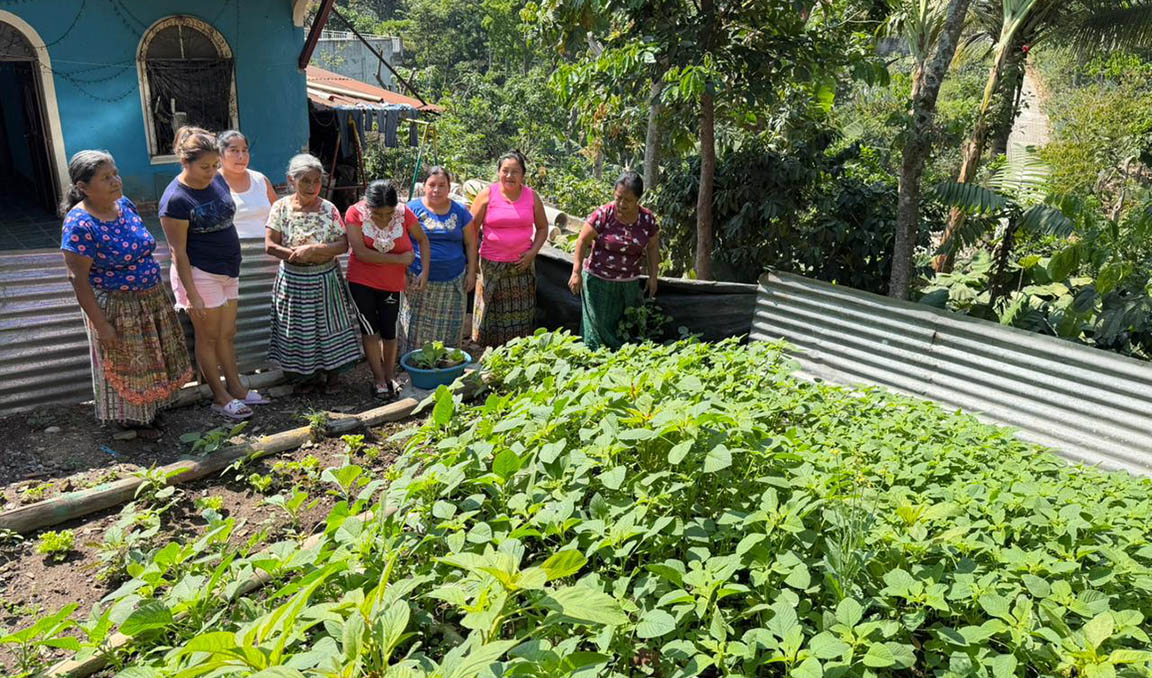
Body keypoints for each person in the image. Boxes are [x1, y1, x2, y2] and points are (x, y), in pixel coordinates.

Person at [60, 150, 193, 434]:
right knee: (126, 360)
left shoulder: (124, 204)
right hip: (115, 306)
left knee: (151, 356)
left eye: (115, 174)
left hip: (150, 299)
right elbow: (78, 280)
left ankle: (152, 410)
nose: (115, 181)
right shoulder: (79, 224)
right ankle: (130, 419)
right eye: (105, 178)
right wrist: (102, 325)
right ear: (83, 187)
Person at [160, 126, 267, 421]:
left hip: (228, 269)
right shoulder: (175, 200)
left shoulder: (217, 179)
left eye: (214, 165)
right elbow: (178, 252)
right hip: (200, 273)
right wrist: (191, 293)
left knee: (227, 334)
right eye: (204, 167)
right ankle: (220, 397)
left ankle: (237, 388)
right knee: (207, 338)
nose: (211, 172)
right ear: (185, 162)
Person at [265, 154, 364, 390]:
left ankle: (333, 377)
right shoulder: (280, 208)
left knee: (330, 327)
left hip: (325, 280)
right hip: (293, 281)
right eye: (305, 181)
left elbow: (343, 245)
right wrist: (296, 255)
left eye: (316, 181)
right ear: (291, 180)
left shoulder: (329, 209)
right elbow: (270, 245)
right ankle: (305, 378)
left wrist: (315, 250)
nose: (312, 187)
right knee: (298, 330)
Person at [344, 180, 431, 400]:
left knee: (390, 331)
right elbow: (361, 253)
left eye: (388, 214)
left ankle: (390, 375)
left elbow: (423, 240)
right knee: (370, 330)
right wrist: (399, 259)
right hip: (361, 281)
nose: (384, 218)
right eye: (378, 214)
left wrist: (424, 271)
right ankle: (378, 379)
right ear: (368, 205)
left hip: (393, 283)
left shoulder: (403, 213)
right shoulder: (355, 213)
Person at [568, 171, 660, 350]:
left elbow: (653, 247)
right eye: (618, 198)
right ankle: (592, 362)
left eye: (628, 200)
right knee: (595, 333)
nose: (622, 204)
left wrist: (653, 276)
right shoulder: (604, 214)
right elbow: (582, 241)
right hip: (598, 283)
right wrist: (576, 272)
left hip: (628, 285)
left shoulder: (647, 219)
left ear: (638, 199)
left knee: (623, 330)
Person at [469, 151, 549, 346]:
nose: (509, 176)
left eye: (515, 172)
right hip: (491, 265)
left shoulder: (532, 197)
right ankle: (487, 352)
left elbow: (543, 228)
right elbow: (471, 230)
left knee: (520, 315)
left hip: (521, 267)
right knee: (490, 313)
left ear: (523, 175)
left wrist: (532, 253)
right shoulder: (487, 195)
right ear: (498, 172)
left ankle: (515, 351)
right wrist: (473, 262)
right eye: (505, 171)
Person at [400, 166, 477, 356]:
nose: (436, 190)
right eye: (432, 185)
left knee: (450, 328)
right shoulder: (411, 209)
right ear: (424, 186)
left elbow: (471, 243)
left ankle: (446, 362)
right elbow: (401, 243)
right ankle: (414, 361)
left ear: (449, 188)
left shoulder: (460, 211)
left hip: (453, 280)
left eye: (442, 185)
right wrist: (401, 273)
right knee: (416, 327)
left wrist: (471, 272)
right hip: (418, 279)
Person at [217, 130, 277, 239]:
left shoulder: (260, 180)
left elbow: (279, 215)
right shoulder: (211, 183)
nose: (241, 156)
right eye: (234, 150)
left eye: (244, 150)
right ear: (220, 154)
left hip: (265, 247)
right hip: (229, 248)